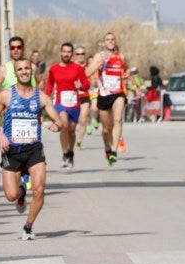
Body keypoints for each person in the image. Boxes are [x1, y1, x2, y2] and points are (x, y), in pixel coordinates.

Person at [0, 58, 62, 240]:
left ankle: (28, 227)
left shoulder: (42, 97)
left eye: (27, 68)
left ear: (32, 71)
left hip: (34, 149)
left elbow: (58, 119)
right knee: (11, 195)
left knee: (39, 190)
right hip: (11, 150)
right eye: (20, 69)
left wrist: (57, 125)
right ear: (15, 73)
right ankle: (21, 191)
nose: (23, 72)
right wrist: (0, 135)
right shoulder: (6, 95)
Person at [87, 32, 131, 166]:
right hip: (104, 95)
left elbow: (127, 70)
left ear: (115, 41)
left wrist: (127, 75)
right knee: (106, 129)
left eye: (112, 39)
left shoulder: (121, 57)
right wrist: (96, 66)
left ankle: (114, 151)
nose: (110, 41)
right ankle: (107, 148)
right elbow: (87, 72)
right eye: (108, 39)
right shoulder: (99, 56)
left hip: (118, 93)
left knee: (118, 120)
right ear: (104, 42)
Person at [45, 42, 90, 170]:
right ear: (60, 52)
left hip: (74, 104)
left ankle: (70, 152)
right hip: (60, 103)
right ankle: (65, 154)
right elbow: (49, 84)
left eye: (69, 52)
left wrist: (80, 86)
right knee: (63, 125)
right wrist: (46, 97)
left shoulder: (77, 68)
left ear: (72, 54)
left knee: (71, 131)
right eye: (64, 51)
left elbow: (86, 83)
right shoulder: (54, 69)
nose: (66, 54)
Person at [73, 46, 93, 149]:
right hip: (72, 96)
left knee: (83, 119)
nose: (80, 56)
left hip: (84, 95)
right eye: (78, 54)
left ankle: (79, 141)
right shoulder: (70, 66)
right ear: (74, 55)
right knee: (71, 122)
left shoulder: (89, 67)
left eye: (82, 54)